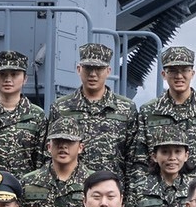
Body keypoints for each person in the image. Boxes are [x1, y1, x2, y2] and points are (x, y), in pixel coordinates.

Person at [45, 42, 138, 177]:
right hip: (72, 186)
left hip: (110, 186)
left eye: (99, 69)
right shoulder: (60, 107)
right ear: (79, 69)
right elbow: (48, 153)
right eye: (88, 68)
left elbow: (134, 158)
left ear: (108, 71)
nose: (93, 74)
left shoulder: (126, 108)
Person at [136, 45, 196, 177]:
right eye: (172, 71)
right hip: (158, 187)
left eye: (184, 70)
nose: (179, 76)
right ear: (164, 75)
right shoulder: (148, 112)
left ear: (192, 73)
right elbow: (139, 159)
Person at [0, 50, 46, 178]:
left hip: (22, 186)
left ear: (25, 79)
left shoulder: (37, 116)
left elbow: (42, 160)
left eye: (14, 74)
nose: (8, 79)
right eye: (2, 74)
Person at [18, 118, 94, 207]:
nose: (63, 146)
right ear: (49, 147)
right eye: (58, 141)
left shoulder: (93, 182)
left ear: (80, 147)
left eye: (69, 142)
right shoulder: (28, 182)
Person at [129, 127, 194, 207]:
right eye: (165, 152)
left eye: (177, 151)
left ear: (186, 156)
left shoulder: (195, 189)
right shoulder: (139, 189)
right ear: (154, 156)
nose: (172, 157)